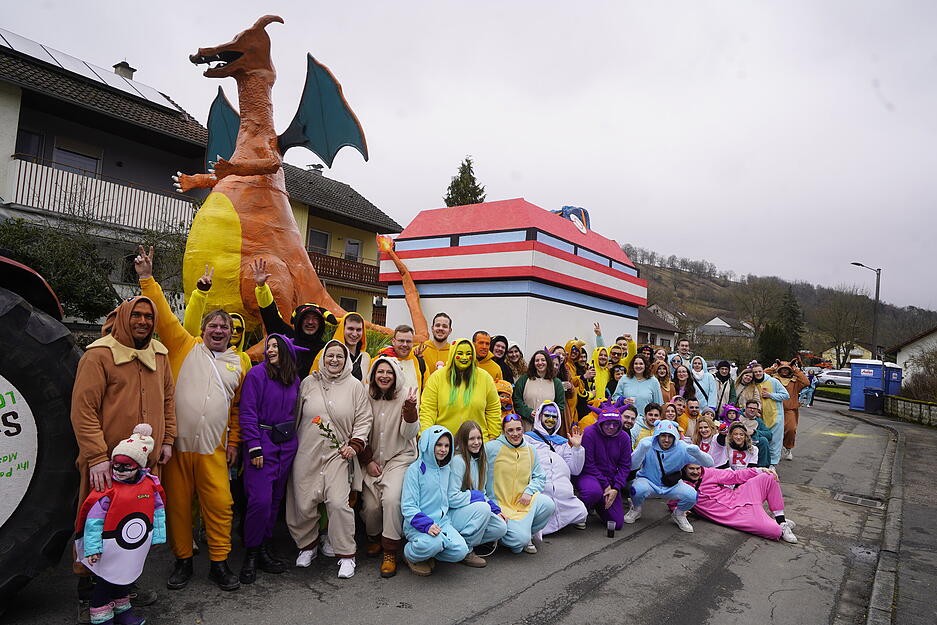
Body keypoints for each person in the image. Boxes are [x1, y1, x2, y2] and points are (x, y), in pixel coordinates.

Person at [136, 248, 243, 592]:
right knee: (179, 509)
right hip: (177, 449)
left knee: (221, 506)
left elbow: (239, 410)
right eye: (212, 324)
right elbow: (165, 317)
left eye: (224, 327)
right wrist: (147, 279)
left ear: (231, 333)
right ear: (204, 328)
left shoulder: (240, 363)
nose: (217, 330)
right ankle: (182, 562)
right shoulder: (184, 345)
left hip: (214, 451)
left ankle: (219, 563)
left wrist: (235, 443)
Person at [71, 294, 175, 613]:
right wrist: (97, 456)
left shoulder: (160, 356)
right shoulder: (99, 355)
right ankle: (89, 592)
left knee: (133, 528)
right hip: (107, 467)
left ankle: (124, 585)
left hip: (145, 467)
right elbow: (83, 409)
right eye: (137, 315)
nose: (143, 321)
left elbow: (168, 400)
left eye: (148, 316)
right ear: (125, 317)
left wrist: (168, 439)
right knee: (97, 526)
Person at [287, 340, 372, 579]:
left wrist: (355, 445)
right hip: (308, 452)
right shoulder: (308, 383)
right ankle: (308, 546)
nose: (334, 360)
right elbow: (293, 416)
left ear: (346, 360)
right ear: (323, 358)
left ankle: (346, 555)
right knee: (302, 502)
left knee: (337, 503)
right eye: (329, 356)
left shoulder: (355, 386)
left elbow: (364, 419)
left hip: (339, 454)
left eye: (339, 356)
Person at [75, 424, 166, 625]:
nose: (120, 470)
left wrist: (159, 535)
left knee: (125, 577)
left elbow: (158, 510)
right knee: (106, 582)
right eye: (116, 465)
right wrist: (92, 548)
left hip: (132, 547)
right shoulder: (108, 490)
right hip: (108, 549)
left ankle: (123, 613)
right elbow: (93, 522)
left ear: (139, 466)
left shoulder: (149, 484)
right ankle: (101, 617)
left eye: (126, 466)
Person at [236, 334, 302, 584]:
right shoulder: (256, 375)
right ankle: (251, 553)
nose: (270, 349)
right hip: (262, 443)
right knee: (260, 501)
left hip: (286, 444)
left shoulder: (294, 379)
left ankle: (264, 548)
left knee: (274, 501)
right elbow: (248, 411)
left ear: (286, 349)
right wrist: (253, 446)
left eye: (275, 346)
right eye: (269, 346)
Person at [359, 356, 419, 578]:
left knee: (392, 500)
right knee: (371, 507)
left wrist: (410, 410)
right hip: (372, 458)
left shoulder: (406, 396)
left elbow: (409, 434)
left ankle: (390, 550)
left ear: (396, 375)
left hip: (399, 457)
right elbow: (358, 428)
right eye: (380, 372)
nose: (384, 376)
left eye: (389, 372)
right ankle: (375, 537)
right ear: (374, 375)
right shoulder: (366, 395)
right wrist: (367, 460)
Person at [402, 426, 479, 575]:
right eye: (438, 445)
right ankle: (410, 555)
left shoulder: (446, 469)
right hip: (417, 525)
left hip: (442, 522)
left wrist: (480, 498)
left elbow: (452, 496)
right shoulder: (414, 470)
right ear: (428, 444)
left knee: (461, 550)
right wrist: (427, 525)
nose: (443, 449)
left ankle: (429, 552)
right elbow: (408, 506)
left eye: (446, 445)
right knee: (434, 542)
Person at [251, 258, 337, 375]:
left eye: (315, 319)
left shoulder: (326, 349)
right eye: (306, 318)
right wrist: (262, 288)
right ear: (298, 321)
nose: (310, 322)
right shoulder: (287, 338)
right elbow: (271, 316)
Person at [625, 420, 714, 533]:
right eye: (663, 435)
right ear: (657, 435)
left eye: (670, 436)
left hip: (672, 485)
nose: (666, 440)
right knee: (635, 489)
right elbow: (632, 466)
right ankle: (636, 509)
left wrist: (698, 454)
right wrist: (641, 450)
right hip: (648, 481)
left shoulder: (682, 447)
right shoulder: (647, 443)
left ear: (675, 436)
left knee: (692, 495)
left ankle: (679, 514)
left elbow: (710, 463)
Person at [485, 414, 557, 554]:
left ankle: (525, 533)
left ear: (523, 429)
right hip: (501, 505)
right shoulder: (490, 448)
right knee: (518, 543)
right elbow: (479, 476)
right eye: (510, 430)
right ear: (503, 431)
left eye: (518, 429)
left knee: (548, 504)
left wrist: (529, 491)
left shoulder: (531, 449)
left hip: (523, 501)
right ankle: (514, 536)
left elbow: (540, 476)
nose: (515, 434)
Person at [681, 464, 798, 542]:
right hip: (736, 515)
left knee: (769, 476)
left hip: (740, 496)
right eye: (692, 469)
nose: (696, 472)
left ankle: (781, 521)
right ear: (685, 468)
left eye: (698, 468)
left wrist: (759, 470)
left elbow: (735, 476)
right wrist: (684, 510)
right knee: (774, 532)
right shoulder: (682, 487)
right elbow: (673, 502)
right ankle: (777, 526)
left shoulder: (709, 473)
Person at [447, 421, 509, 565]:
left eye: (479, 438)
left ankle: (458, 542)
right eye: (471, 439)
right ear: (463, 440)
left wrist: (496, 509)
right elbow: (451, 498)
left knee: (501, 527)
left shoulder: (481, 460)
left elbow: (482, 493)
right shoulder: (458, 460)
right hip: (454, 513)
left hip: (472, 511)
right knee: (483, 508)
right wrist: (476, 496)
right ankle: (467, 550)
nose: (476, 442)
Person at [419, 338, 502, 441]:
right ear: (453, 354)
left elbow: (493, 409)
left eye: (468, 353)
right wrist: (427, 436)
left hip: (478, 444)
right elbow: (428, 410)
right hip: (445, 445)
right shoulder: (437, 377)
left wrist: (492, 437)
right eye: (460, 353)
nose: (464, 357)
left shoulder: (485, 378)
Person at [525, 403, 587, 534]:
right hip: (540, 491)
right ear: (539, 416)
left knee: (582, 512)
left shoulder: (562, 442)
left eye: (554, 417)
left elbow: (575, 469)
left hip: (563, 494)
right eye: (547, 415)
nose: (550, 419)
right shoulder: (528, 439)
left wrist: (577, 448)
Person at [182, 264, 252, 374]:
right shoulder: (199, 349)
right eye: (213, 326)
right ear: (204, 330)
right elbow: (190, 327)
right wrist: (201, 292)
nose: (218, 331)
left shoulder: (243, 359)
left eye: (239, 329)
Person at [576, 405, 632, 532]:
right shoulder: (590, 433)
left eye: (615, 423)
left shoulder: (624, 437)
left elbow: (625, 466)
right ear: (600, 421)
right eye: (607, 423)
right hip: (589, 475)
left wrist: (616, 488)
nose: (611, 427)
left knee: (617, 523)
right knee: (592, 492)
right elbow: (588, 464)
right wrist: (605, 485)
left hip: (611, 479)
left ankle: (598, 502)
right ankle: (581, 509)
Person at [765, 360, 809, 461]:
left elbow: (806, 382)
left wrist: (796, 370)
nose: (784, 371)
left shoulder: (795, 381)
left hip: (790, 409)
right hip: (774, 409)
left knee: (791, 429)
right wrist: (772, 368)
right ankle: (772, 450)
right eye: (782, 369)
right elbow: (762, 375)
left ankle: (788, 448)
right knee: (771, 430)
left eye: (787, 369)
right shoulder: (773, 379)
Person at [512, 349, 565, 431]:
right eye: (537, 360)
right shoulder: (524, 379)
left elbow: (560, 405)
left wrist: (547, 416)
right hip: (525, 425)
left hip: (546, 428)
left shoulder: (556, 383)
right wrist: (528, 412)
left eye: (543, 360)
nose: (540, 363)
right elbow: (516, 399)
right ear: (533, 363)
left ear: (548, 362)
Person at [749, 362, 790, 466]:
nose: (758, 374)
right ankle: (760, 463)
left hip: (775, 417)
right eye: (755, 372)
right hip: (760, 419)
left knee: (775, 443)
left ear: (763, 371)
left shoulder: (773, 381)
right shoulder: (752, 384)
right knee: (761, 442)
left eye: (759, 371)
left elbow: (785, 395)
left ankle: (773, 464)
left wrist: (771, 395)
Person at [378, 325, 426, 399]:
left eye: (408, 341)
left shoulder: (420, 363)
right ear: (393, 342)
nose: (405, 344)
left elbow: (427, 392)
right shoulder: (380, 361)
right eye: (401, 341)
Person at [320, 312, 371, 382]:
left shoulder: (365, 358)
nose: (354, 334)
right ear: (342, 329)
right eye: (350, 329)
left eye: (358, 330)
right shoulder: (326, 354)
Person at [736, 401, 772, 468]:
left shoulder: (758, 421)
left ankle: (762, 468)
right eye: (750, 408)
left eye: (754, 409)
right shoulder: (736, 414)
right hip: (735, 439)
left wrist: (754, 432)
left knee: (763, 441)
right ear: (745, 408)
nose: (752, 410)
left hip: (751, 441)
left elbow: (769, 434)